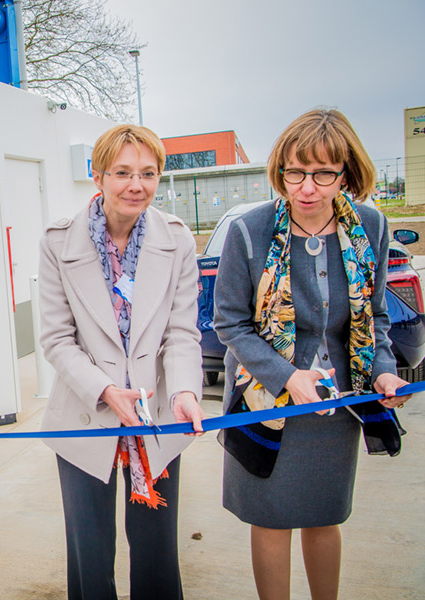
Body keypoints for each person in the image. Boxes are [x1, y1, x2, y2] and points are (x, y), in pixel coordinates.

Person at [214, 108, 411, 600]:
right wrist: (286, 375)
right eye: (295, 172)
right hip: (264, 402)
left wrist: (384, 373)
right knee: (271, 518)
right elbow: (230, 325)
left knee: (324, 515)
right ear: (280, 169)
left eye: (323, 174)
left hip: (336, 404)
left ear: (346, 172)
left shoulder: (372, 226)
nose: (306, 187)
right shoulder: (249, 231)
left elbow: (376, 318)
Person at [38, 124, 205, 600]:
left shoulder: (177, 242)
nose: (137, 185)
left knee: (156, 555)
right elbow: (55, 338)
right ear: (98, 176)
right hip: (85, 414)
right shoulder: (58, 243)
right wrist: (106, 389)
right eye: (124, 172)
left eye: (148, 173)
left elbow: (181, 333)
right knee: (89, 554)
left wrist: (185, 392)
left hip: (155, 418)